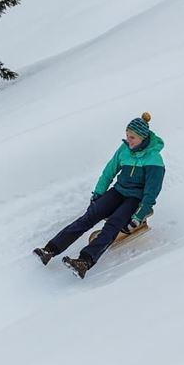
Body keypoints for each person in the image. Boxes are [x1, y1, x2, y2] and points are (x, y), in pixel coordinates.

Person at [33, 112, 165, 278]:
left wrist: (139, 215)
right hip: (118, 191)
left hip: (135, 198)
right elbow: (109, 172)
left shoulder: (154, 160)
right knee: (89, 216)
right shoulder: (124, 149)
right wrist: (98, 194)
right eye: (127, 136)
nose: (128, 140)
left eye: (132, 137)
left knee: (113, 225)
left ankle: (84, 262)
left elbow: (151, 192)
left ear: (142, 138)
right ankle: (50, 250)